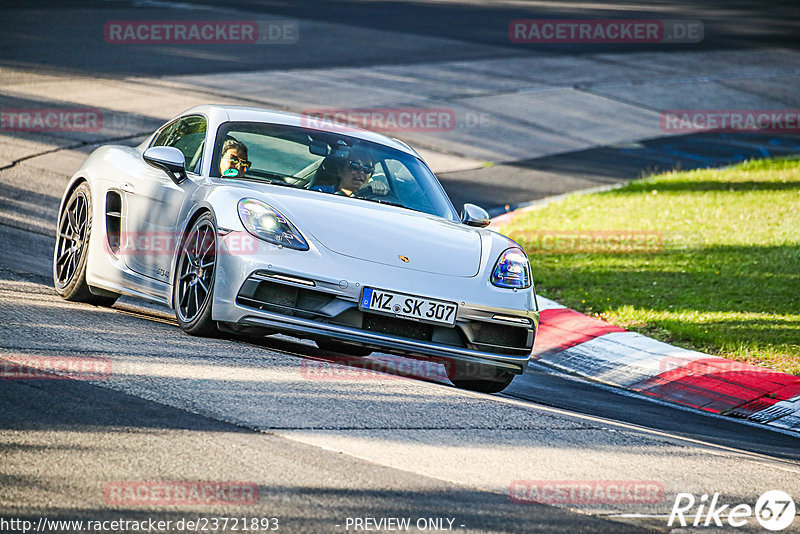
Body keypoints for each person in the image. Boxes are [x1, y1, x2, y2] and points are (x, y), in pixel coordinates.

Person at [310, 151, 388, 197]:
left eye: (367, 169)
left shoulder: (374, 200)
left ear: (370, 175)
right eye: (355, 166)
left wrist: (379, 190)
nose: (361, 172)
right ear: (340, 171)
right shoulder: (320, 193)